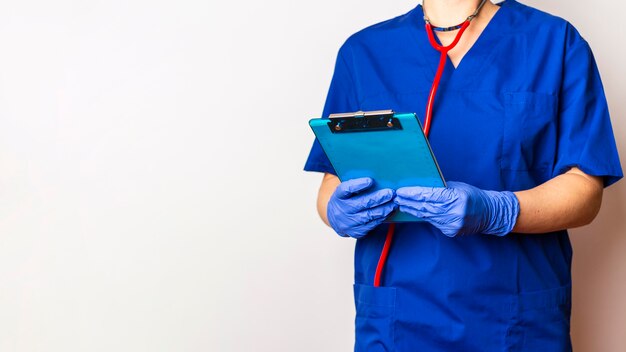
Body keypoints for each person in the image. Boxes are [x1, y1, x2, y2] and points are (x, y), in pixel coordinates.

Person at [304, 0, 623, 351]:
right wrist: (337, 210)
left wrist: (497, 210)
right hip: (398, 322)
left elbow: (586, 192)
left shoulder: (555, 42)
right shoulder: (364, 53)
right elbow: (331, 182)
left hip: (518, 322)